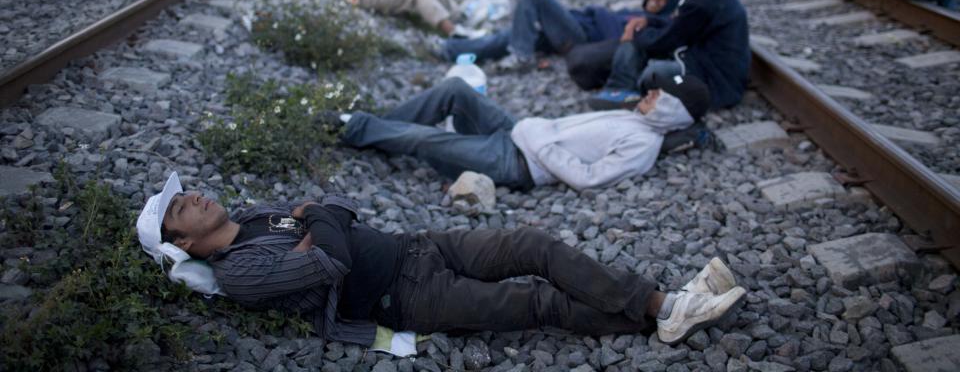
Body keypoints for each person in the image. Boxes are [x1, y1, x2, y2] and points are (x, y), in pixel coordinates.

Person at [139, 173, 746, 350]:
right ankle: (665, 312)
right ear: (183, 245)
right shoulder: (239, 271)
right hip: (404, 300)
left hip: (417, 246)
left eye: (183, 192)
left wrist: (319, 220)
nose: (190, 196)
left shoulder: (248, 211)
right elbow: (330, 261)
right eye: (178, 210)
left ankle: (664, 305)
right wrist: (318, 223)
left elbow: (334, 205)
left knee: (532, 243)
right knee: (532, 303)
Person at [339, 70, 710, 191]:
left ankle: (352, 128)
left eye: (658, 95)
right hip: (517, 133)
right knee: (455, 89)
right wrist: (534, 133)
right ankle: (377, 126)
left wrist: (541, 145)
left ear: (673, 109)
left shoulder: (643, 144)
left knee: (426, 140)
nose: (648, 94)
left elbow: (590, 179)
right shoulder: (639, 118)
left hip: (517, 163)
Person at [589, 0, 750, 111]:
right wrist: (650, 21)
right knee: (644, 47)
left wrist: (635, 33)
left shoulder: (700, 1)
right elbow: (680, 24)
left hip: (716, 81)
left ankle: (627, 93)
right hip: (712, 63)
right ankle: (620, 91)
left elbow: (666, 41)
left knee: (654, 73)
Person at [441, 0, 682, 69]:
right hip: (577, 28)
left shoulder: (652, 25)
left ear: (669, 6)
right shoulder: (633, 12)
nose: (653, 0)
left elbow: (613, 40)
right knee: (510, 36)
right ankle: (448, 50)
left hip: (582, 40)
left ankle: (522, 57)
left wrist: (598, 12)